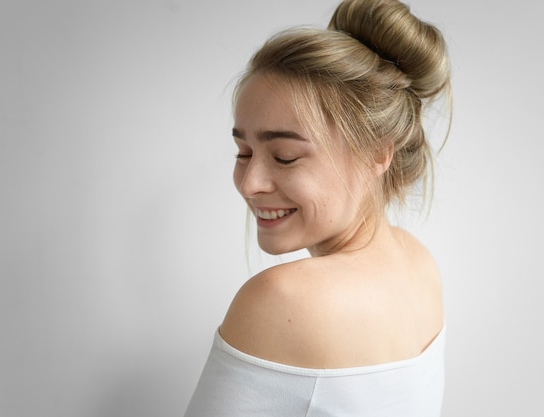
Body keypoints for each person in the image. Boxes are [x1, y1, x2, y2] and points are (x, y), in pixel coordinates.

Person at [185, 0, 451, 415]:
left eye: (285, 156)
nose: (251, 184)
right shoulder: (418, 263)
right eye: (243, 152)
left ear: (377, 154)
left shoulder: (282, 299)